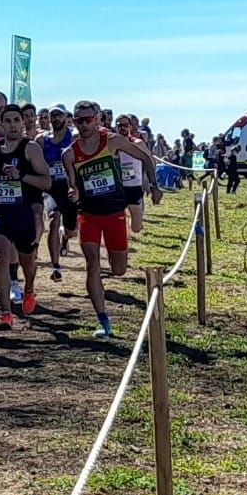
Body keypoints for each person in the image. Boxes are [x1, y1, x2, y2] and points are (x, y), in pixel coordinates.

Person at [65, 100, 148, 338]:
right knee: (92, 263)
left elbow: (145, 157)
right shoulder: (70, 153)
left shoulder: (112, 142)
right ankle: (103, 320)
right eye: (78, 120)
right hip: (88, 214)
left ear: (98, 118)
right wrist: (74, 192)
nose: (83, 124)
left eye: (88, 119)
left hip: (114, 213)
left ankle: (114, 257)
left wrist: (152, 184)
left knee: (119, 269)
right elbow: (73, 184)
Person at [0, 103, 49, 328]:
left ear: (23, 123)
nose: (12, 125)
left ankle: (29, 287)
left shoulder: (31, 149)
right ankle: (5, 313)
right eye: (7, 121)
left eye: (16, 121)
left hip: (24, 213)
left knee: (28, 263)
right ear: (1, 124)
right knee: (0, 255)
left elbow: (46, 181)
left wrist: (21, 176)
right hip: (0, 212)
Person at [40, 103, 76, 283]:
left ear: (65, 117)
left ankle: (66, 236)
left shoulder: (74, 136)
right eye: (52, 115)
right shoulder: (42, 140)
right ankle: (55, 266)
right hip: (50, 188)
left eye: (59, 115)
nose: (56, 119)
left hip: (70, 186)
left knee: (72, 230)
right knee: (53, 219)